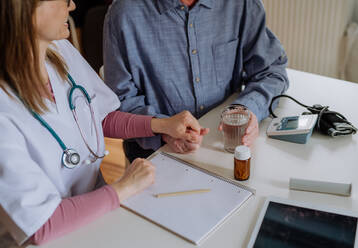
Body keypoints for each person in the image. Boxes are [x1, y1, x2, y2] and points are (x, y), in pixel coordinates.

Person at [0, 0, 206, 245]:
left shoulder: (59, 51)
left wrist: (161, 126)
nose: (73, 5)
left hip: (97, 211)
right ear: (24, 10)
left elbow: (100, 116)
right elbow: (41, 226)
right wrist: (124, 187)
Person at [103, 0, 289, 162]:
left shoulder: (241, 4)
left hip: (225, 147)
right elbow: (119, 102)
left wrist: (250, 108)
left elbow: (271, 70)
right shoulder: (124, 14)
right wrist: (163, 130)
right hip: (157, 153)